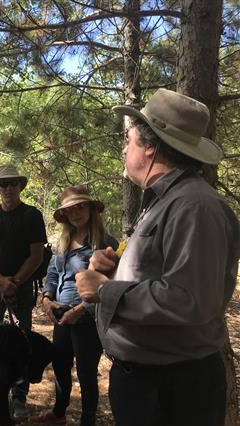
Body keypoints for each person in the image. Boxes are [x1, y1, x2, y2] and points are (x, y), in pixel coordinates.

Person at [75, 89, 240, 426]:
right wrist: (116, 267)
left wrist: (106, 291)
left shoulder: (194, 207)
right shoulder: (165, 200)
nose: (124, 149)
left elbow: (190, 299)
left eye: (129, 140)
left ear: (150, 147)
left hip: (174, 390)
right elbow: (164, 273)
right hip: (151, 382)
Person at [30, 186, 118, 426]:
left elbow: (108, 286)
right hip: (60, 313)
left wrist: (80, 311)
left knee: (86, 372)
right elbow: (52, 273)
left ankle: (87, 420)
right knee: (60, 364)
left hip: (87, 318)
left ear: (91, 208)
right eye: (69, 210)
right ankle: (58, 414)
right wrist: (47, 297)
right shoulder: (63, 242)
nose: (75, 213)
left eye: (80, 206)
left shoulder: (106, 243)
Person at [0, 164, 47, 421]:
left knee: (21, 339)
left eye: (13, 183)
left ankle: (19, 396)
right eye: (3, 184)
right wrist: (0, 280)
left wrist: (14, 281)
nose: (8, 188)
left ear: (20, 186)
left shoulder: (32, 216)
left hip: (22, 286)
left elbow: (36, 256)